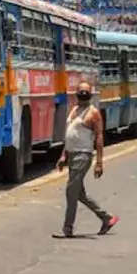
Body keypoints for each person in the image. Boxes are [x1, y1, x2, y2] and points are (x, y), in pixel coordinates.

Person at [52, 81, 119, 239]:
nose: (83, 94)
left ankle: (67, 228)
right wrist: (64, 155)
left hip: (83, 155)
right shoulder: (74, 109)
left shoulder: (93, 113)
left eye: (86, 92)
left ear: (90, 94)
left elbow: (99, 138)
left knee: (70, 191)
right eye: (80, 91)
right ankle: (107, 218)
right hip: (72, 155)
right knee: (79, 193)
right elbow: (70, 134)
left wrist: (99, 162)